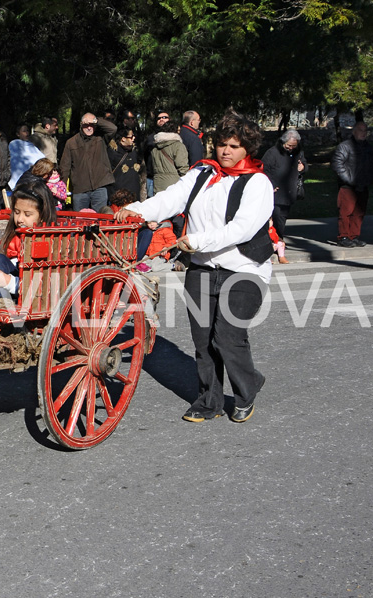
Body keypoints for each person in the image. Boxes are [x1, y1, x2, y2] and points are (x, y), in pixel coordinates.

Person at [115, 110, 273, 424]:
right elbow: (170, 198)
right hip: (202, 269)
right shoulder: (203, 173)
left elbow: (240, 230)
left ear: (247, 149)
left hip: (245, 269)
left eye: (234, 146)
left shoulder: (258, 183)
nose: (225, 151)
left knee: (227, 336)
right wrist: (134, 210)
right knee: (203, 341)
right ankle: (209, 400)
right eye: (222, 144)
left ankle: (246, 389)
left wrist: (196, 241)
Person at [262, 129, 308, 261]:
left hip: (289, 191)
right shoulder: (272, 153)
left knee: (282, 218)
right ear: (283, 142)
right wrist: (271, 184)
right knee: (275, 217)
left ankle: (278, 242)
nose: (291, 148)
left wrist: (303, 167)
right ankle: (275, 242)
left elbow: (305, 164)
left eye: (294, 146)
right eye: (289, 146)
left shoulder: (298, 152)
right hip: (275, 191)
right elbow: (264, 169)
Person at [58, 112, 117, 211]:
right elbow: (65, 167)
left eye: (92, 125)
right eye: (86, 125)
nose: (89, 128)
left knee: (100, 219)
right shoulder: (71, 142)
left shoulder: (101, 138)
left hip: (100, 186)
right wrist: (61, 190)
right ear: (81, 125)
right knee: (80, 221)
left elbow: (113, 128)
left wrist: (97, 121)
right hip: (80, 189)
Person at [331, 121, 372, 247]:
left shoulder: (369, 147)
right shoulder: (345, 146)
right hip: (348, 186)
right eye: (360, 130)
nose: (363, 133)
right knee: (345, 212)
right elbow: (337, 164)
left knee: (359, 213)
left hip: (363, 185)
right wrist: (349, 180)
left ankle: (354, 236)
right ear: (354, 132)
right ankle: (343, 236)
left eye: (365, 131)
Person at [107, 127, 147, 201]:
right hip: (119, 194)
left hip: (134, 194)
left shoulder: (135, 150)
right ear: (123, 139)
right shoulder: (112, 152)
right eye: (131, 137)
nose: (134, 138)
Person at [150, 120, 190, 193]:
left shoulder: (154, 148)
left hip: (157, 184)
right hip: (174, 184)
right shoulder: (178, 146)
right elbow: (183, 168)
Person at [143, 109, 171, 197]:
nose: (161, 119)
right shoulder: (151, 138)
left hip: (169, 177)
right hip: (152, 178)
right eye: (159, 118)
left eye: (164, 117)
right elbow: (145, 155)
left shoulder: (175, 138)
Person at [8, 124, 45, 189]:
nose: (27, 133)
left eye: (27, 131)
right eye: (24, 131)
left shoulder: (31, 145)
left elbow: (40, 158)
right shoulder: (14, 144)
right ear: (18, 134)